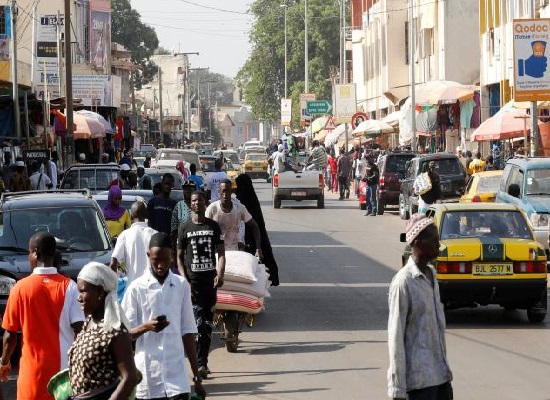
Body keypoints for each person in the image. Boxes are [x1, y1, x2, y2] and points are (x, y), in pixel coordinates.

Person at [122, 233, 206, 400]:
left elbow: (188, 332)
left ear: (172, 257)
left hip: (177, 379)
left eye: (165, 259)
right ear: (148, 256)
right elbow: (124, 335)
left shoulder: (181, 286)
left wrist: (196, 377)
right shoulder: (135, 289)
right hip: (148, 379)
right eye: (155, 260)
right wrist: (146, 327)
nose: (160, 265)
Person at [0, 232, 84, 399]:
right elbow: (80, 329)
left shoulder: (19, 288)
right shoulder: (70, 286)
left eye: (28, 252)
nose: (28, 257)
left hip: (32, 376)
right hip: (64, 377)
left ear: (36, 252)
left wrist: (4, 361)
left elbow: (10, 337)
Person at [388, 214, 453, 400]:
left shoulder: (432, 276)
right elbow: (396, 336)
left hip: (441, 377)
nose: (438, 245)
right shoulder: (403, 282)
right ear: (418, 242)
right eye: (434, 241)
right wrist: (397, 389)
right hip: (418, 384)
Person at [68, 262, 139, 399]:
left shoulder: (115, 329)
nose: (78, 297)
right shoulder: (88, 322)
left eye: (83, 291)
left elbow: (130, 377)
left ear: (100, 292)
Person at [177, 191, 225, 378]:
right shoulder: (184, 228)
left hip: (209, 285)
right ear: (190, 204)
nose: (197, 203)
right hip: (192, 286)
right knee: (196, 325)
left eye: (200, 200)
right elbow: (179, 258)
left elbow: (221, 254)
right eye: (194, 200)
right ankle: (197, 363)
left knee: (206, 325)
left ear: (206, 203)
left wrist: (219, 273)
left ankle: (202, 364)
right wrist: (185, 282)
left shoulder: (213, 227)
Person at [235, 174, 280, 286]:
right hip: (254, 239)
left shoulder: (241, 201)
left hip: (250, 239)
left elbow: (254, 225)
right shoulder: (252, 199)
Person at [206, 179, 263, 254]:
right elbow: (203, 228)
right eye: (223, 191)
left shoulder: (239, 208)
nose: (225, 194)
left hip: (234, 251)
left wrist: (258, 249)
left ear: (231, 191)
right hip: (216, 252)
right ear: (219, 192)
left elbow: (254, 226)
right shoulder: (212, 208)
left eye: (228, 191)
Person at [110, 201, 157, 283]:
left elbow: (113, 263)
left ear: (131, 215)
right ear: (146, 215)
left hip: (132, 287)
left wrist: (114, 286)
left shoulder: (125, 235)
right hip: (152, 287)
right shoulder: (155, 234)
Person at [171, 180, 195, 254]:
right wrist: (174, 251)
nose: (187, 191)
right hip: (182, 246)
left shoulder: (199, 205)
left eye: (190, 188)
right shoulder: (178, 206)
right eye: (185, 188)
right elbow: (174, 230)